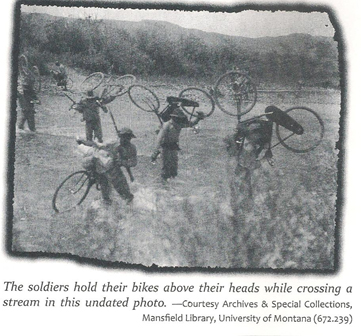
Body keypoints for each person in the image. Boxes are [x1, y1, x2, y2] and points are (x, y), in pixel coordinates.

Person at [77, 127, 137, 205]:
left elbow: (133, 162)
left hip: (114, 171)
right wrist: (84, 142)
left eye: (126, 137)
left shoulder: (131, 148)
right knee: (105, 193)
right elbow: (98, 145)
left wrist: (123, 163)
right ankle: (105, 204)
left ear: (129, 138)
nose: (123, 139)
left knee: (126, 194)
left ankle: (128, 208)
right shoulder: (113, 143)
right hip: (103, 167)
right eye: (122, 137)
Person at [151, 108, 205, 180]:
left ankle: (172, 183)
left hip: (174, 147)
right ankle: (164, 183)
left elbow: (190, 124)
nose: (180, 120)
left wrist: (198, 118)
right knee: (165, 168)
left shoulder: (179, 124)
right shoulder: (167, 125)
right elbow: (159, 139)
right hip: (165, 148)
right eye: (178, 118)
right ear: (174, 117)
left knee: (174, 168)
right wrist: (156, 152)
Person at [17, 65, 40, 132]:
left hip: (24, 108)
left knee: (22, 121)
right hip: (28, 109)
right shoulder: (29, 91)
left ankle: (20, 130)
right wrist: (36, 101)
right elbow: (32, 100)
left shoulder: (22, 91)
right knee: (32, 127)